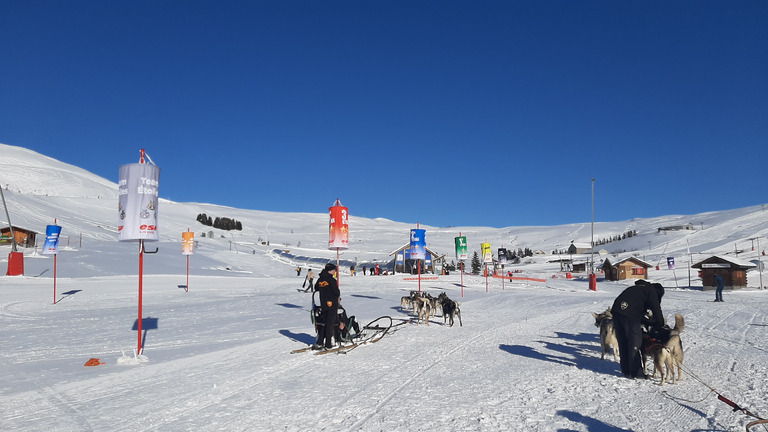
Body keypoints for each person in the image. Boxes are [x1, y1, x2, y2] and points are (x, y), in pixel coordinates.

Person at [610, 279, 665, 379]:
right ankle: (637, 373)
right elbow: (656, 309)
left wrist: (649, 322)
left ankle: (626, 370)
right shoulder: (651, 291)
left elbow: (638, 312)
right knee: (635, 342)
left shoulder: (637, 289)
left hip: (616, 313)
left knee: (623, 342)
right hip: (629, 316)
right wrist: (660, 325)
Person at [313, 263, 340, 350]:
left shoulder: (320, 279)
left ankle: (320, 342)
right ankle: (328, 344)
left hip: (324, 304)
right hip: (332, 304)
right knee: (330, 324)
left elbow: (316, 288)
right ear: (331, 271)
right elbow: (336, 292)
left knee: (325, 324)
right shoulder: (331, 280)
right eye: (334, 270)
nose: (335, 271)